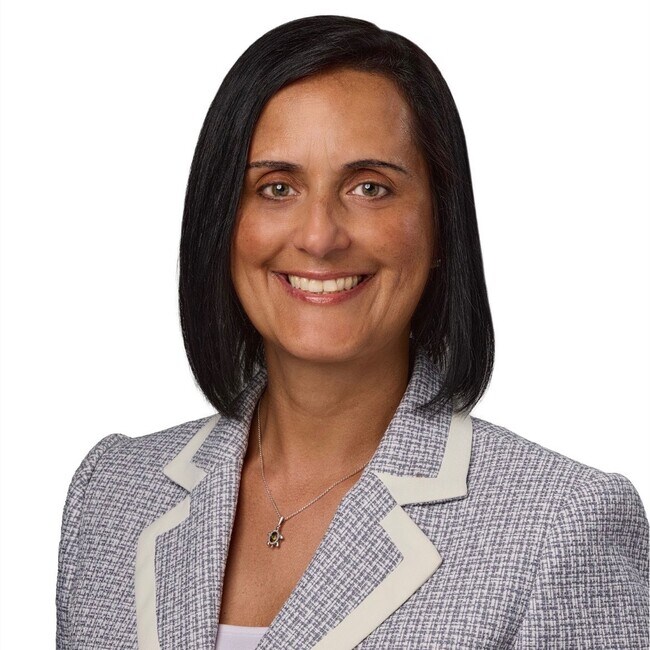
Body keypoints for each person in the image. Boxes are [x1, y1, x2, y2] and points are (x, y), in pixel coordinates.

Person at [56, 15, 649, 650]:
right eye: (276, 187)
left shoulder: (560, 525)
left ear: (439, 224)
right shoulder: (112, 496)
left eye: (370, 188)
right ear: (222, 221)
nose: (319, 236)